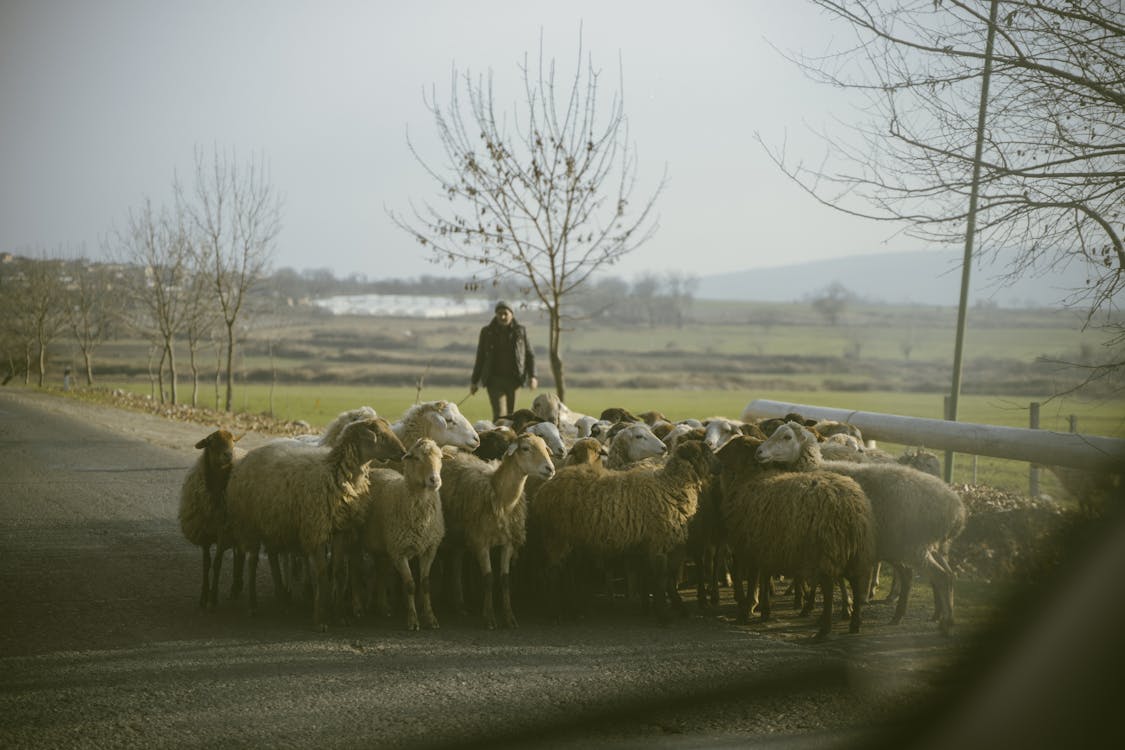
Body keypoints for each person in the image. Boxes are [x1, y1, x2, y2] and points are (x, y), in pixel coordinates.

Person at [470, 300, 538, 422]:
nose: (502, 316)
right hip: (494, 381)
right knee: (500, 415)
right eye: (499, 313)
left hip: (515, 380)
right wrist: (474, 382)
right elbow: (480, 358)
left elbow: (529, 355)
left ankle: (511, 440)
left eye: (505, 313)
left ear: (511, 314)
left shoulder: (520, 331)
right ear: (496, 314)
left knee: (513, 416)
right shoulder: (487, 332)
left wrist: (533, 376)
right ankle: (498, 439)